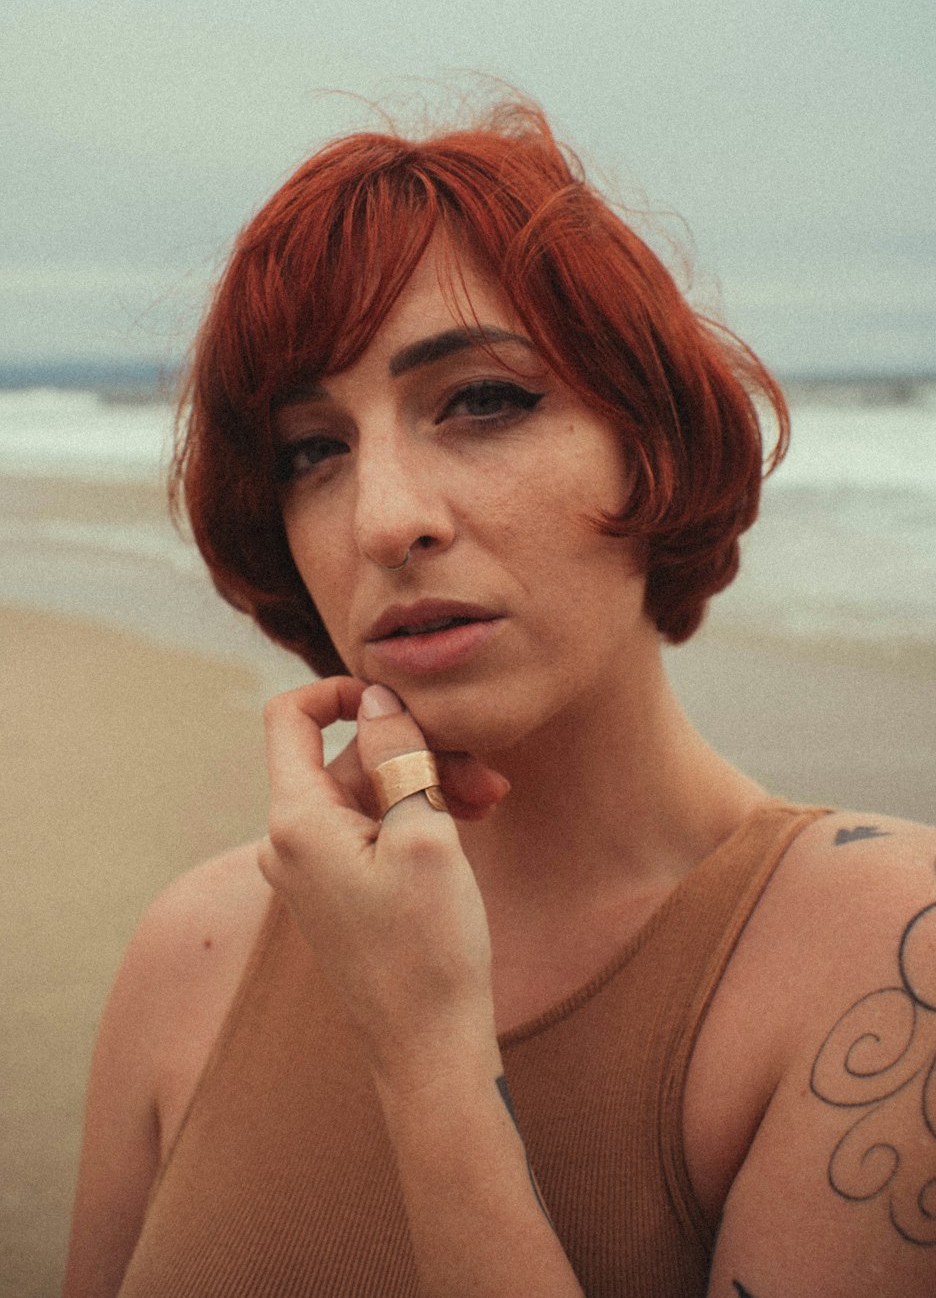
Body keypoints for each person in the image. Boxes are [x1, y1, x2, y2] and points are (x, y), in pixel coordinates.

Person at [63, 100, 936, 1297]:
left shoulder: (888, 949)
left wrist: (427, 1055)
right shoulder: (195, 952)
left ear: (654, 441)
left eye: (482, 401)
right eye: (311, 450)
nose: (383, 521)